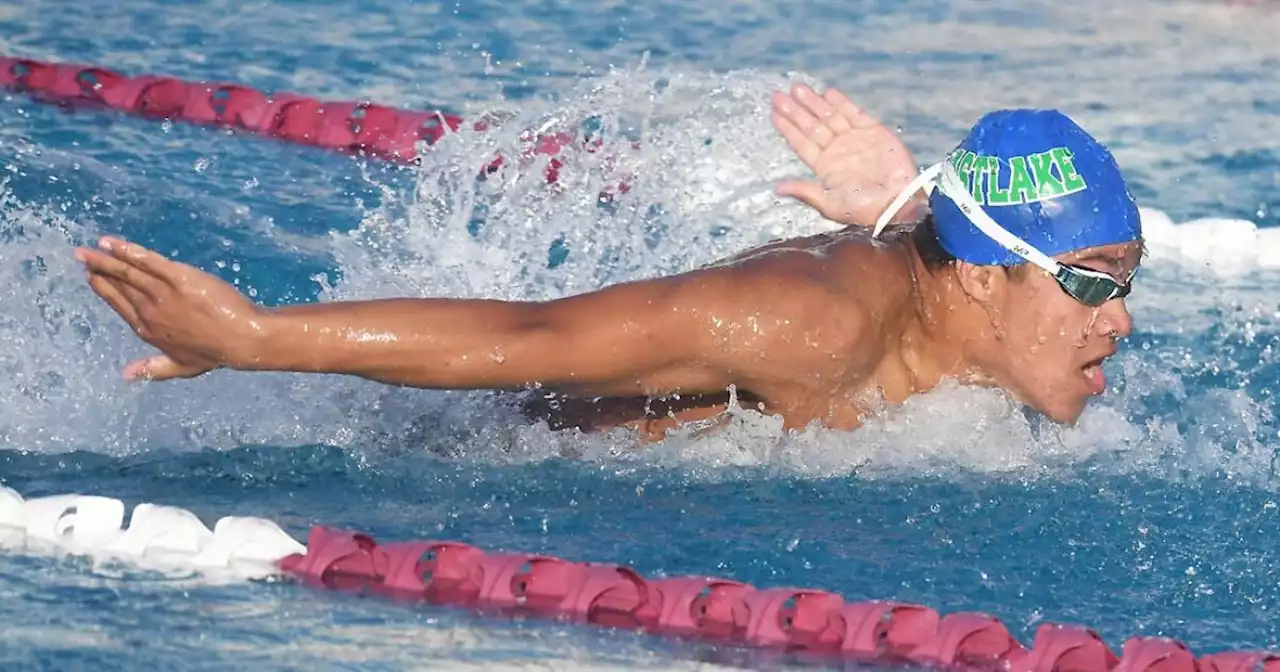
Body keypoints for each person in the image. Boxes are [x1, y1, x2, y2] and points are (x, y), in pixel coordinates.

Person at [73, 85, 1143, 442]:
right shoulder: (801, 322)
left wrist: (902, 209)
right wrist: (251, 339)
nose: (1119, 321)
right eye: (1092, 281)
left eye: (1125, 284)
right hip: (468, 477)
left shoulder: (964, 320)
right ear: (977, 275)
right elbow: (532, 337)